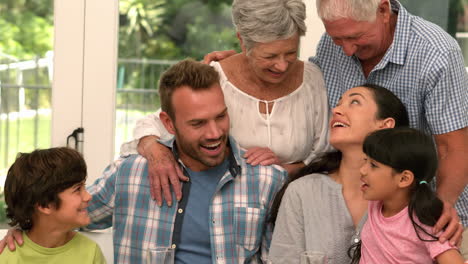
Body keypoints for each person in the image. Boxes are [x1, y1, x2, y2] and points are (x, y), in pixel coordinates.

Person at [206, 0, 468, 248]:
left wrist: (438, 207)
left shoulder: (436, 52)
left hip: (431, 214)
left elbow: (454, 148)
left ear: (383, 11)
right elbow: (301, 85)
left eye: (356, 38)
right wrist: (239, 64)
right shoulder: (333, 47)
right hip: (362, 209)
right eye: (337, 39)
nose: (347, 50)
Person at [0, 59, 287, 263]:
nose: (215, 133)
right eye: (198, 123)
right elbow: (68, 212)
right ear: (168, 123)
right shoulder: (129, 174)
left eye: (220, 117)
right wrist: (23, 231)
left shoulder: (266, 180)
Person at [119, 0, 330, 206]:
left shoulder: (313, 80)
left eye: (291, 53)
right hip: (225, 215)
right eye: (270, 56)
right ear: (242, 42)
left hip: (295, 209)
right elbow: (153, 125)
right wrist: (157, 151)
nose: (282, 65)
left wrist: (279, 170)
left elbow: (325, 156)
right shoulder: (216, 78)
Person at [269, 84, 410, 263]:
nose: (336, 110)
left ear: (385, 126)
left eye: (355, 102)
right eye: (338, 103)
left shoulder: (407, 198)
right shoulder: (302, 192)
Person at [351, 128, 464, 263]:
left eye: (373, 165)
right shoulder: (376, 203)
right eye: (365, 160)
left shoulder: (425, 222)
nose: (362, 170)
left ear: (404, 179)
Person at [0, 147, 106, 263]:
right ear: (45, 205)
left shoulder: (91, 252)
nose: (88, 196)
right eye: (77, 189)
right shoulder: (8, 257)